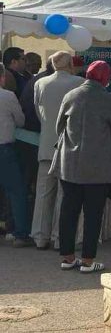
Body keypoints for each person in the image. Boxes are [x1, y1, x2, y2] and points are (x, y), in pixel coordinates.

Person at [51, 61, 111, 272]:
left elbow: (59, 127)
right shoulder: (108, 100)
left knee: (68, 211)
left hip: (69, 164)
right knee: (93, 214)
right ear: (105, 78)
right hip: (98, 166)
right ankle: (87, 260)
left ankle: (67, 257)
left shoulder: (71, 96)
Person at [31, 51, 84, 250]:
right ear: (70, 64)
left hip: (46, 143)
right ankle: (59, 237)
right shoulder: (79, 82)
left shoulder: (40, 83)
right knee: (64, 194)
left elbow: (39, 112)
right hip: (69, 145)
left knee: (43, 193)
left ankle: (39, 236)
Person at [0, 63, 34, 247]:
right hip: (4, 148)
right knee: (16, 191)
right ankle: (20, 233)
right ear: (2, 77)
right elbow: (20, 120)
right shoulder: (8, 96)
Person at [20, 57, 54, 132]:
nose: (40, 67)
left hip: (31, 122)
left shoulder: (39, 78)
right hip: (35, 124)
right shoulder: (46, 81)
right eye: (38, 64)